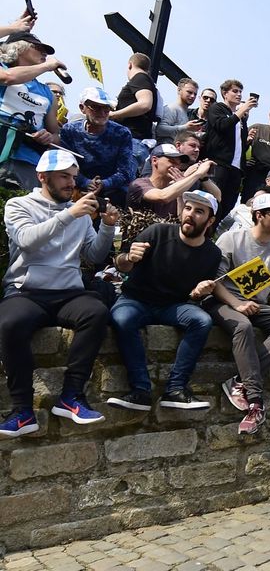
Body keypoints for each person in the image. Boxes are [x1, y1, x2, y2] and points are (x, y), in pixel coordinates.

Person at [0, 150, 118, 437]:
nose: (71, 183)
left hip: (68, 292)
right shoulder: (19, 205)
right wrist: (69, 215)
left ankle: (72, 396)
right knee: (9, 323)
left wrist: (107, 226)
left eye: (73, 177)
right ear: (43, 177)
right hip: (26, 291)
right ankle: (22, 410)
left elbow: (93, 254)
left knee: (96, 311)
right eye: (64, 176)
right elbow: (27, 240)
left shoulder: (76, 212)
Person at [106, 191, 222, 411]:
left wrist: (198, 293)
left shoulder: (212, 253)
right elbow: (120, 263)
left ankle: (176, 389)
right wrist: (129, 257)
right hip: (136, 299)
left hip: (173, 306)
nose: (190, 215)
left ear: (210, 220)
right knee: (122, 318)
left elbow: (192, 296)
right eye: (188, 208)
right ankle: (140, 391)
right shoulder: (157, 232)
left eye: (199, 211)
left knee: (202, 320)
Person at [211, 193, 270, 435]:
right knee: (243, 326)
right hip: (223, 301)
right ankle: (255, 401)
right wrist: (237, 304)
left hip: (258, 306)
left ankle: (239, 382)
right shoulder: (231, 239)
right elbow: (214, 282)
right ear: (258, 215)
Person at [0, 31, 65, 190]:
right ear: (19, 48)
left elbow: (56, 135)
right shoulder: (3, 69)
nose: (44, 53)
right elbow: (7, 77)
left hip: (27, 161)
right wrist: (47, 66)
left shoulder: (47, 93)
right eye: (38, 47)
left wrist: (48, 137)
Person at [58, 86, 136, 207]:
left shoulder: (121, 133)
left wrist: (103, 184)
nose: (102, 112)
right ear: (82, 108)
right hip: (76, 187)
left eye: (106, 108)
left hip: (113, 190)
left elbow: (126, 172)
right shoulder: (70, 130)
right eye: (95, 107)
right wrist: (85, 182)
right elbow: (65, 164)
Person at [200, 79, 257, 223]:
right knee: (211, 203)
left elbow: (236, 142)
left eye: (240, 92)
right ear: (225, 93)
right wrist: (241, 111)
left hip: (236, 169)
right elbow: (221, 126)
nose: (239, 95)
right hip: (218, 165)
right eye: (235, 91)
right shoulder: (217, 108)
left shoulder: (241, 119)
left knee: (227, 206)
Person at [127, 144, 220, 219]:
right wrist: (197, 174)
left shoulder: (177, 188)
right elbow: (162, 196)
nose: (176, 166)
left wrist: (203, 178)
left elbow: (181, 221)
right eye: (171, 161)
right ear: (155, 160)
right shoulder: (139, 184)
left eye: (178, 163)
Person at [110, 53, 159, 168]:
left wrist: (114, 114)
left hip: (133, 141)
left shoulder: (140, 78)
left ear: (130, 65)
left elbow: (145, 104)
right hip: (133, 141)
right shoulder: (145, 80)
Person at [155, 77, 206, 145]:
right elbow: (159, 130)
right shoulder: (172, 108)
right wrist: (185, 127)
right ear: (179, 90)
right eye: (189, 92)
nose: (193, 96)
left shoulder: (185, 113)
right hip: (165, 151)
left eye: (195, 94)